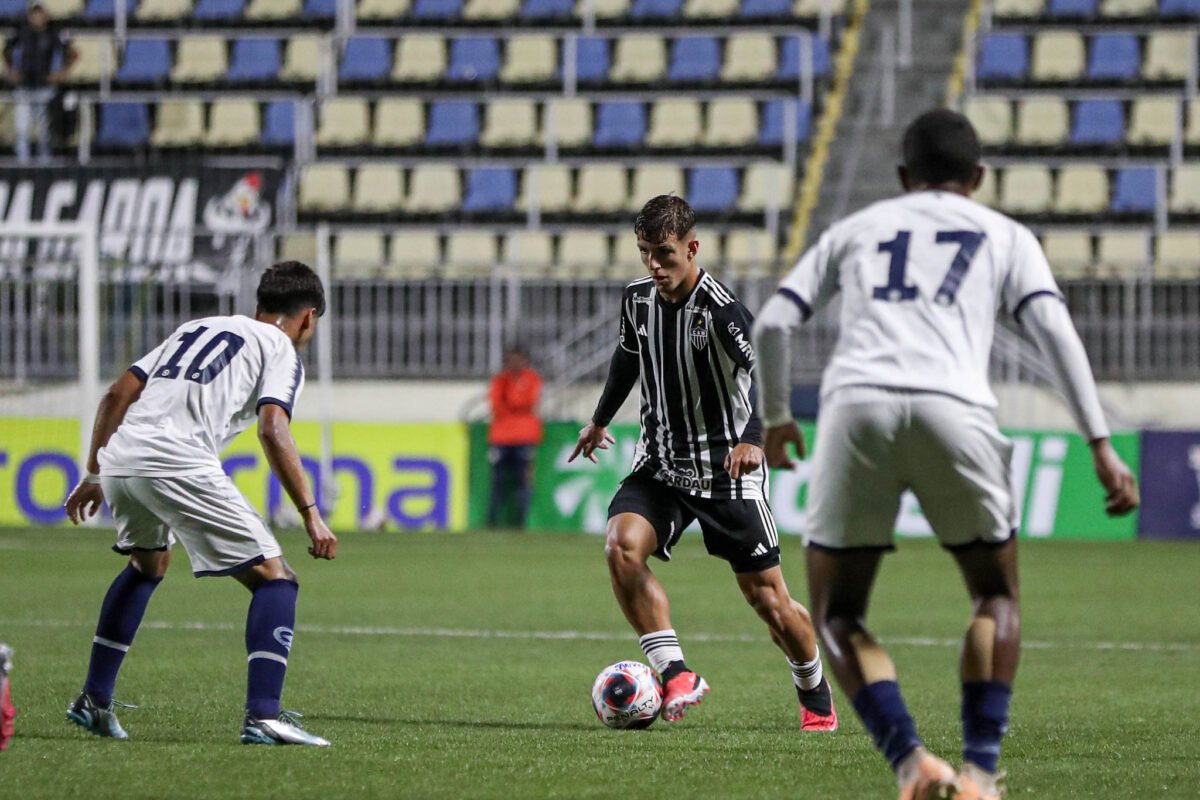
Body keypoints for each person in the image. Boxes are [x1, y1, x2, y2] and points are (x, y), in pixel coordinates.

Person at [752, 109, 1140, 800]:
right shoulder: (1006, 234)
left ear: (904, 178)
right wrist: (1100, 443)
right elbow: (1054, 330)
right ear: (980, 177)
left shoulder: (857, 228)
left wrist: (778, 418)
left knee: (838, 614)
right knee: (995, 593)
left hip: (857, 408)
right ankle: (981, 774)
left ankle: (911, 762)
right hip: (956, 408)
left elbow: (775, 319)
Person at [569, 195, 838, 730]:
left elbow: (768, 368)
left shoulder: (721, 311)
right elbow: (628, 356)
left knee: (770, 603)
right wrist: (600, 419)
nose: (653, 265)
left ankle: (814, 690)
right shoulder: (637, 301)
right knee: (621, 546)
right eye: (645, 253)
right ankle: (675, 673)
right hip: (662, 464)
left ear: (692, 248)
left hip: (726, 472)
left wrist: (754, 437)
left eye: (664, 254)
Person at [63, 261, 337, 747]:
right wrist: (310, 513)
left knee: (149, 564)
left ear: (258, 306)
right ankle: (263, 716)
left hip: (123, 456)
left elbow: (117, 394)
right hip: (177, 459)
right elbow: (273, 428)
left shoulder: (196, 327)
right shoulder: (280, 348)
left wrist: (95, 472)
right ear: (309, 317)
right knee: (276, 579)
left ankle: (94, 700)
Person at [3, 2, 77, 163]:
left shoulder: (52, 34)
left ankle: (45, 162)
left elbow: (72, 53)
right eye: (34, 15)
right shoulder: (22, 32)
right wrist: (11, 70)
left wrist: (61, 73)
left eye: (40, 15)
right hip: (24, 87)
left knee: (45, 132)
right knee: (22, 130)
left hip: (44, 87)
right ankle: (22, 163)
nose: (37, 19)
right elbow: (6, 51)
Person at [486, 346, 543, 529]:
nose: (515, 363)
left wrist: (510, 402)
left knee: (523, 481)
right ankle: (492, 522)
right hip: (501, 437)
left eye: (518, 359)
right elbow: (496, 405)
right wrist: (515, 403)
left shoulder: (532, 379)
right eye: (511, 360)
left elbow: (529, 402)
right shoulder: (500, 380)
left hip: (525, 436)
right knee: (498, 482)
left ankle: (520, 523)